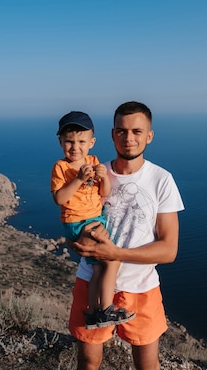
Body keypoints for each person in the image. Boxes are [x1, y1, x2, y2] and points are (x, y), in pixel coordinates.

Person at [68, 101, 184, 370]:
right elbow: (72, 219)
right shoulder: (93, 172)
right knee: (88, 361)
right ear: (112, 134)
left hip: (141, 287)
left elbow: (169, 250)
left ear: (149, 136)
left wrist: (115, 254)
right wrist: (73, 242)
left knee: (147, 364)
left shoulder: (161, 180)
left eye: (137, 131)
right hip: (91, 284)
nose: (128, 138)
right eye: (121, 131)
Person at [51, 110, 136, 330]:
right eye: (69, 141)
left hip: (94, 218)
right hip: (78, 222)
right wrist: (79, 179)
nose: (74, 147)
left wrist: (103, 177)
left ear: (92, 142)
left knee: (98, 269)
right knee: (113, 260)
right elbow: (60, 198)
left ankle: (92, 313)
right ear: (60, 141)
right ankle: (106, 309)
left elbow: (104, 192)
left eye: (81, 141)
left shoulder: (93, 161)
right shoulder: (61, 167)